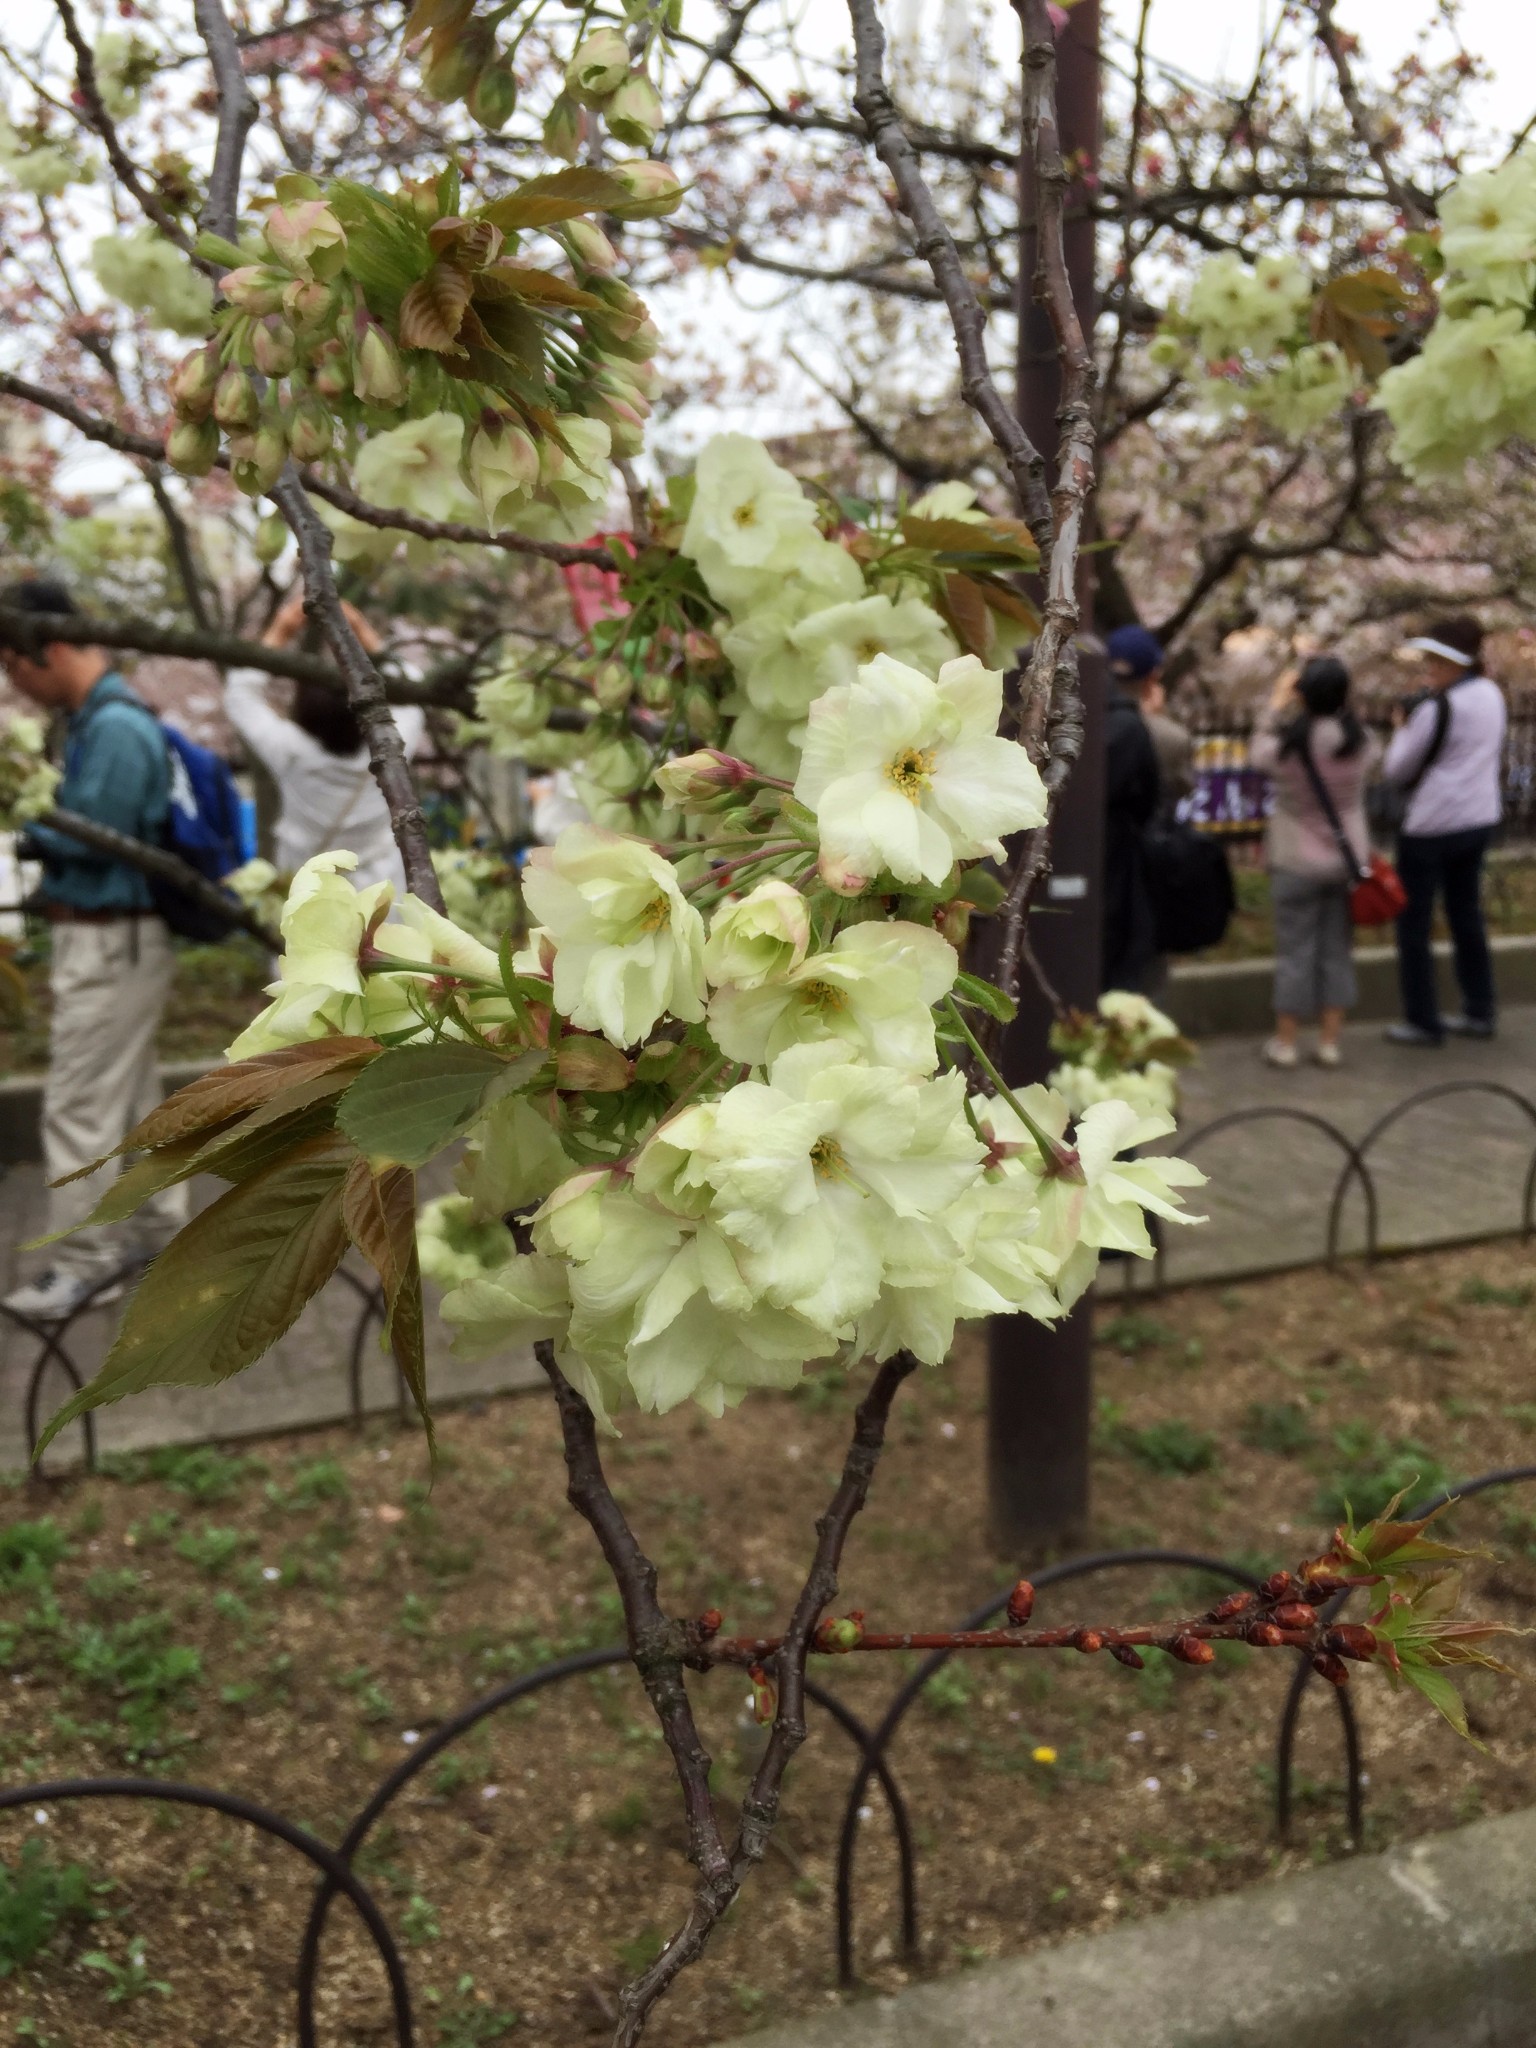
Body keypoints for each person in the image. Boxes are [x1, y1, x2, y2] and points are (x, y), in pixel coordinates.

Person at [0, 579, 187, 1318]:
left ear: (43, 648)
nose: (14, 682)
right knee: (132, 1101)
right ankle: (154, 1234)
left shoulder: (113, 728)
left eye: (12, 665)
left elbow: (89, 836)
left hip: (112, 941)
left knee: (79, 1105)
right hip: (120, 940)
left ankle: (76, 1265)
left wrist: (25, 812)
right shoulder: (103, 719)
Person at [226, 595, 426, 894]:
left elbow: (239, 694)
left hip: (308, 889)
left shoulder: (291, 751)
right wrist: (361, 630)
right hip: (380, 890)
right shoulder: (390, 747)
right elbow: (414, 689)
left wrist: (281, 631)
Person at [1381, 616, 1506, 1047]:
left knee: (1413, 924)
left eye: (1437, 660)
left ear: (1458, 663)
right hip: (1478, 819)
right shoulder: (1492, 695)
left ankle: (1423, 1019)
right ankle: (1479, 1008)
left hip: (1430, 825)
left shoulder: (1437, 709)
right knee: (1465, 914)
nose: (1429, 667)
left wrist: (1401, 729)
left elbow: (1398, 770)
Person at [1249, 657, 1378, 1069]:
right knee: (1336, 951)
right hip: (1346, 863)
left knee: (1294, 953)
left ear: (1301, 693)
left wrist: (1276, 703)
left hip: (1294, 859)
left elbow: (1256, 753)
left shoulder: (1288, 746)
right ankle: (1329, 1043)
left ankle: (1286, 1044)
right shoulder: (1361, 743)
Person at [1102, 632, 1162, 993]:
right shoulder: (1133, 728)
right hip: (1117, 866)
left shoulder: (1078, 710)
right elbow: (1148, 803)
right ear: (1152, 676)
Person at [1108, 623, 1192, 818]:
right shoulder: (1171, 738)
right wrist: (1161, 717)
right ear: (1154, 676)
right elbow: (1181, 789)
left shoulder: (1075, 720)